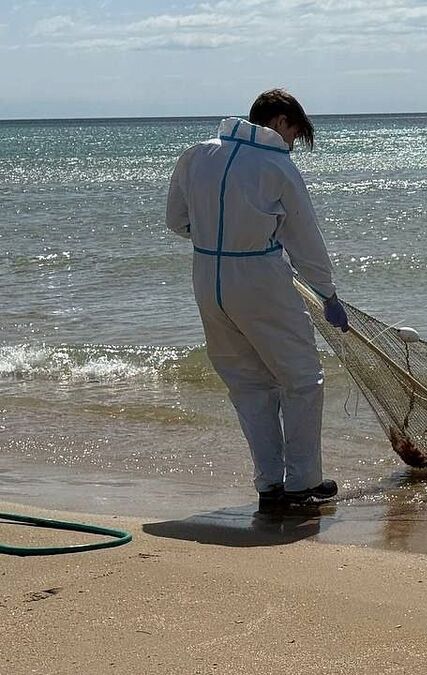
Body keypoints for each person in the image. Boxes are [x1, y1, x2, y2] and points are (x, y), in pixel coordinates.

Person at [166, 88, 349, 508]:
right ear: (281, 122)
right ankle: (303, 483)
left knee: (247, 384)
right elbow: (305, 239)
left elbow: (176, 220)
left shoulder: (196, 154)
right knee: (303, 379)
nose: (292, 145)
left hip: (207, 277)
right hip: (259, 278)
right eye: (294, 135)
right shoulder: (275, 164)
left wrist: (217, 239)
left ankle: (270, 484)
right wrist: (327, 293)